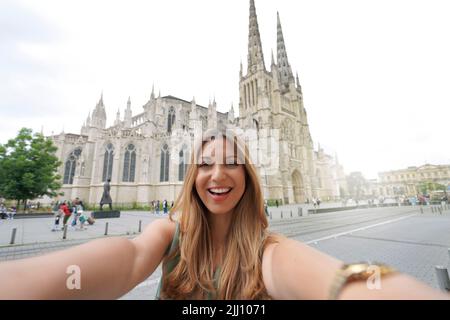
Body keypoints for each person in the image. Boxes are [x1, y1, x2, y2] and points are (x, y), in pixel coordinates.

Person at [0, 129, 449, 300]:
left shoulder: (267, 249)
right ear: (192, 174)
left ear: (249, 176)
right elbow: (124, 259)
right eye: (206, 163)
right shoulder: (166, 234)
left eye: (233, 162)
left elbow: (336, 283)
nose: (219, 173)